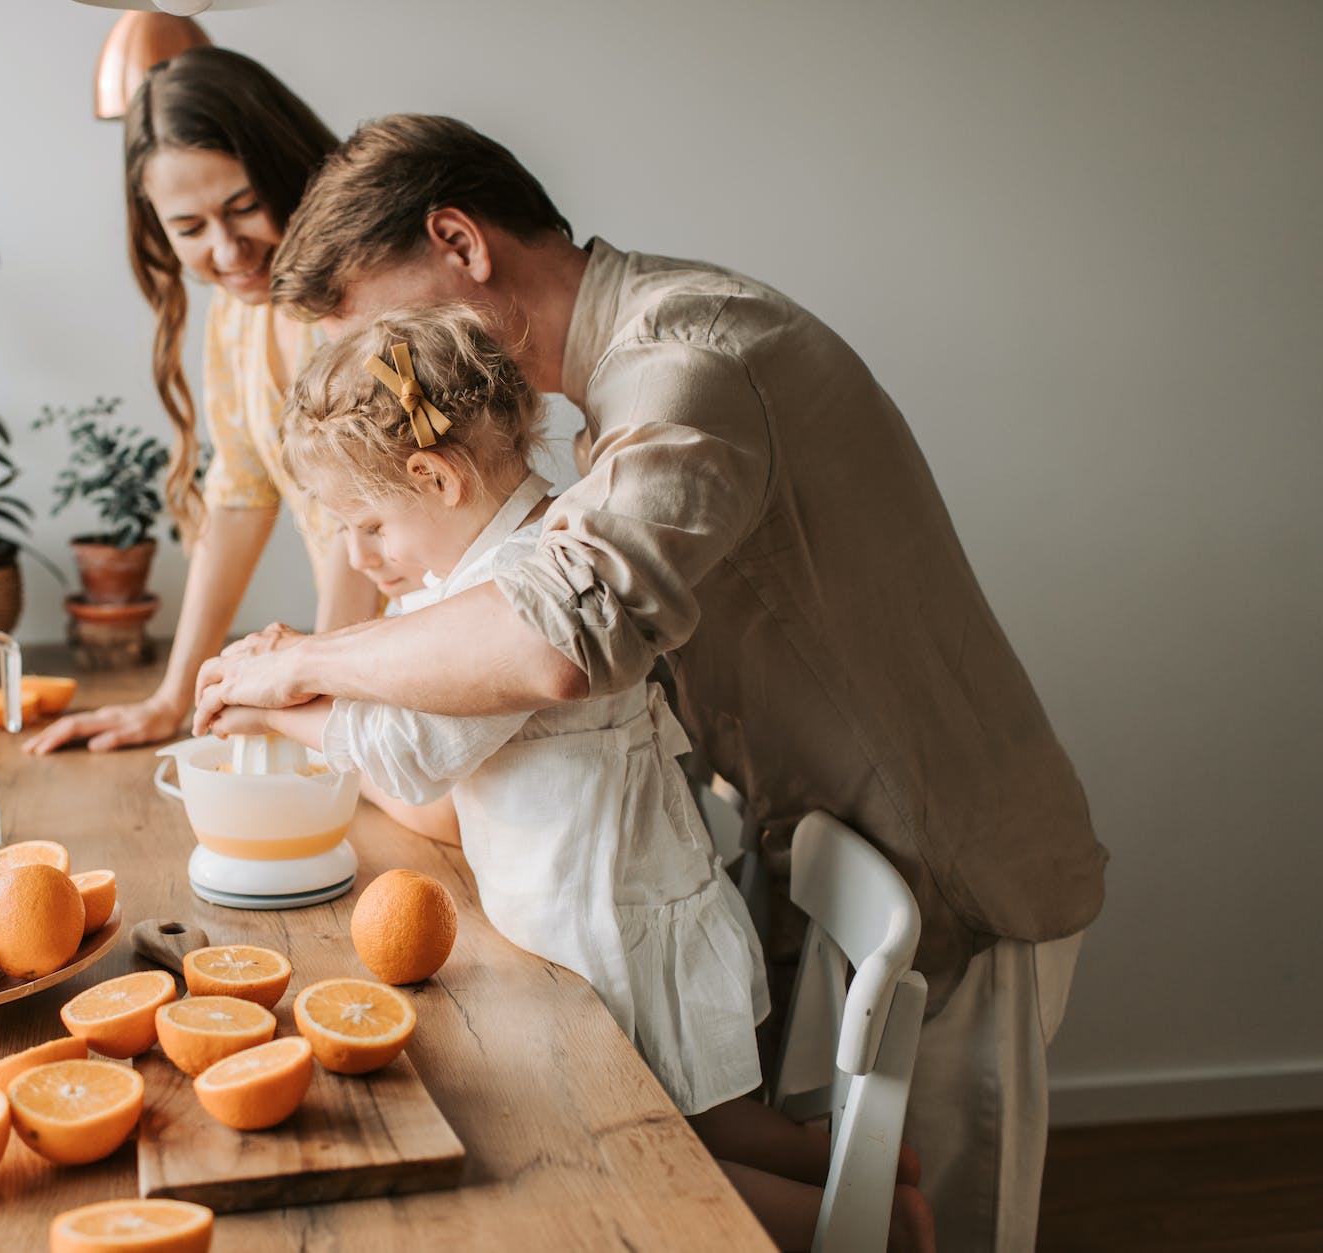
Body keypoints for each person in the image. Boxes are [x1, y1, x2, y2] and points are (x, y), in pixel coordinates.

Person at [193, 114, 1106, 1253]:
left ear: (458, 243)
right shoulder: (620, 382)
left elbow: (556, 637)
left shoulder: (685, 365)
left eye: (385, 335)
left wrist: (299, 663)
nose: (396, 380)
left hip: (955, 860)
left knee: (939, 1230)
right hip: (838, 840)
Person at [210, 305, 932, 1251]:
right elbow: (419, 763)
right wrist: (298, 679)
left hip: (605, 931)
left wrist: (274, 697)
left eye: (366, 524)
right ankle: (863, 1170)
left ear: (435, 477)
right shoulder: (506, 555)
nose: (357, 555)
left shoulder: (508, 586)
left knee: (623, 1156)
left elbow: (407, 749)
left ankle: (855, 1223)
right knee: (700, 1122)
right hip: (615, 905)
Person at [21, 48, 376, 755]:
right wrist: (172, 697)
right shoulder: (236, 312)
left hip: (412, 663)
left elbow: (362, 510)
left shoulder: (364, 292)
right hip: (356, 670)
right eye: (189, 228)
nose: (227, 249)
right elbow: (241, 494)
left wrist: (334, 694)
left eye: (245, 207)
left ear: (290, 169)